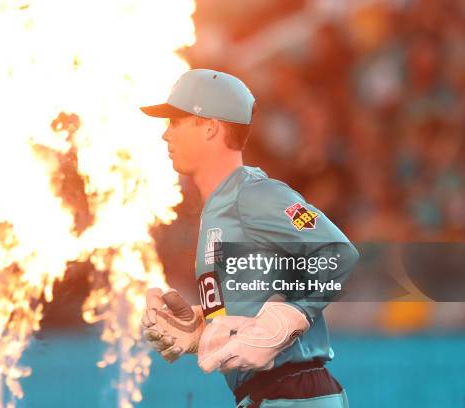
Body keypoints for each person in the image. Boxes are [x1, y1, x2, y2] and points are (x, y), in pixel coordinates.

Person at [140, 69, 359, 408]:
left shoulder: (255, 195)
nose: (165, 135)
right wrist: (202, 329)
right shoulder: (222, 207)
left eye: (176, 121)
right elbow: (256, 300)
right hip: (274, 394)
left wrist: (292, 316)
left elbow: (339, 253)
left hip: (293, 392)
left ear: (210, 126)